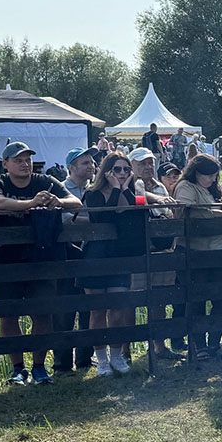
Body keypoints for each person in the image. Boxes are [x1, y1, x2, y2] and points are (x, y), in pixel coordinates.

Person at [0, 141, 83, 385]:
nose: (25, 164)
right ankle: (18, 368)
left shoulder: (45, 181)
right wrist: (30, 204)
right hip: (5, 259)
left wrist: (56, 201)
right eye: (18, 160)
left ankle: (39, 366)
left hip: (41, 257)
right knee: (9, 315)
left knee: (42, 313)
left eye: (27, 159)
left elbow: (76, 202)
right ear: (5, 164)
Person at [79, 153, 144, 375]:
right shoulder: (93, 194)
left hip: (119, 256)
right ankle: (101, 359)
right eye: (117, 169)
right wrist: (116, 188)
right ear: (107, 171)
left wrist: (124, 189)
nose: (122, 173)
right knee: (97, 310)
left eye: (126, 169)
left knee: (117, 307)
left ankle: (117, 355)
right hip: (95, 256)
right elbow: (103, 218)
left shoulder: (130, 193)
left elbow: (134, 217)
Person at [173, 155, 222, 361]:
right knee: (197, 300)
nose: (212, 179)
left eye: (215, 175)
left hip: (218, 250)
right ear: (197, 173)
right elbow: (188, 210)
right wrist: (220, 214)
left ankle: (214, 343)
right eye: (209, 175)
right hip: (194, 252)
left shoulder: (213, 190)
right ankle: (199, 345)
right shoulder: (186, 186)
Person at [129, 148, 181, 360]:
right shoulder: (129, 183)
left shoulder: (160, 186)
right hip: (139, 250)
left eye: (150, 162)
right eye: (142, 163)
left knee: (159, 299)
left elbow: (168, 212)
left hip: (161, 248)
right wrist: (157, 200)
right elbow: (137, 198)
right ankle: (125, 350)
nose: (147, 166)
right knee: (132, 302)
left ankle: (159, 346)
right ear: (132, 165)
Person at [54, 147, 98, 373]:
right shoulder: (60, 189)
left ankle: (84, 359)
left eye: (92, 162)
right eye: (85, 163)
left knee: (88, 307)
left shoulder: (95, 189)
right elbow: (64, 220)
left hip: (90, 254)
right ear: (71, 167)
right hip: (67, 255)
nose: (91, 166)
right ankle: (62, 363)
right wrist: (95, 220)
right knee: (64, 307)